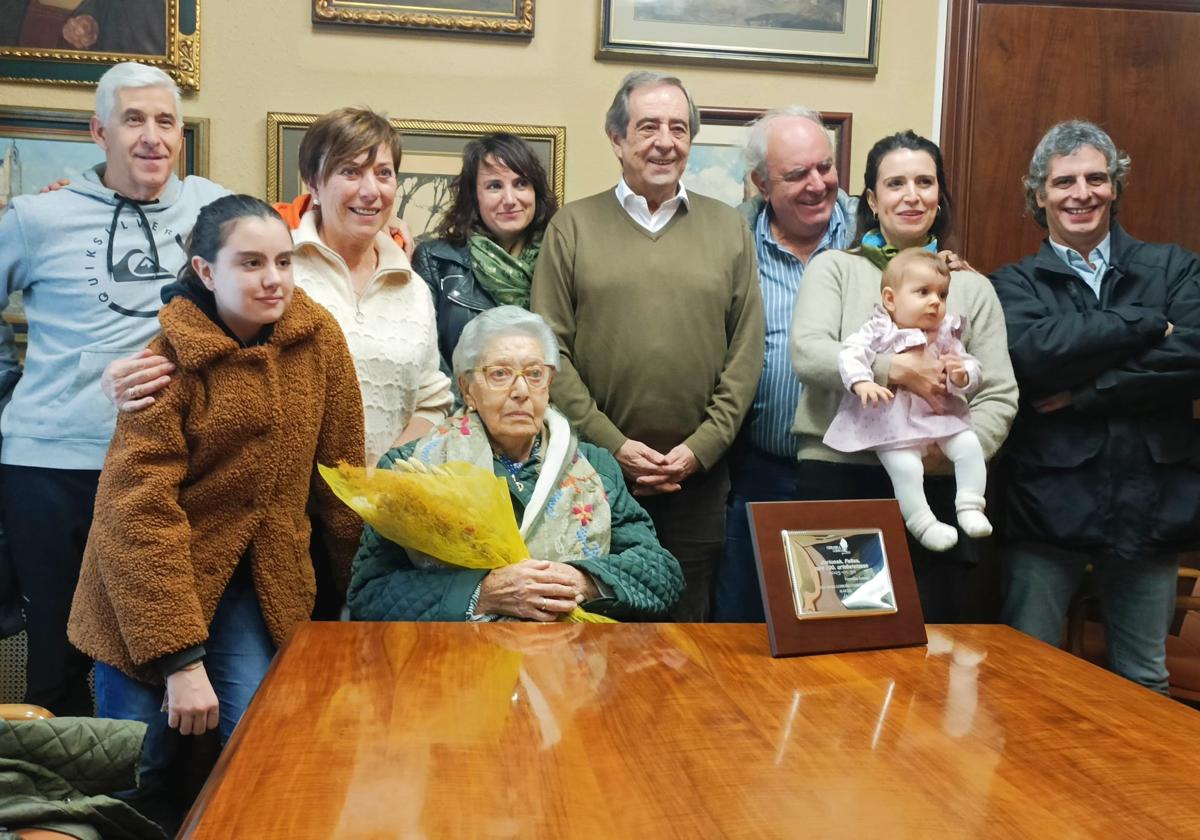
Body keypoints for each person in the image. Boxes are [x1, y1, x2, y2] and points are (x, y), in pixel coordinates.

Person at [66, 194, 365, 823]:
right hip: (146, 592)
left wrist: (356, 601)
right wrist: (177, 660)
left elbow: (342, 483)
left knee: (260, 748)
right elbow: (134, 515)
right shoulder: (165, 362)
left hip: (261, 585)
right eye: (251, 263)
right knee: (137, 764)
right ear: (205, 271)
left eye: (284, 262)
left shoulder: (320, 342)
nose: (273, 279)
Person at [0, 61, 227, 716]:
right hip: (53, 465)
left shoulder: (211, 208)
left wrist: (386, 236)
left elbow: (281, 251)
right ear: (98, 132)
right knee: (60, 658)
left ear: (180, 135)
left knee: (165, 651)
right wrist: (11, 385)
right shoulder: (35, 216)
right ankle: (62, 816)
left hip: (168, 467)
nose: (151, 137)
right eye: (133, 120)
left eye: (165, 122)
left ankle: (149, 807)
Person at [532, 71, 764, 621]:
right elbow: (548, 350)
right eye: (649, 126)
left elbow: (746, 351)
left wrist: (700, 448)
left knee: (686, 651)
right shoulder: (573, 227)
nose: (665, 140)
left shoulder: (728, 228)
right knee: (594, 643)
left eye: (679, 128)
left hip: (698, 485)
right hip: (593, 476)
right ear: (616, 139)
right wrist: (613, 445)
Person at [990, 120, 1200, 693]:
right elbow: (1035, 357)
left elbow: (1193, 356)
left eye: (1095, 178)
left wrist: (1089, 392)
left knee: (1143, 683)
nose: (1080, 193)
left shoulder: (1175, 267)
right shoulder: (1013, 284)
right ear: (1040, 194)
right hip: (1046, 507)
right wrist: (1145, 323)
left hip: (1150, 506)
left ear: (1115, 187)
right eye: (1063, 182)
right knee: (1024, 679)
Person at [790, 130, 1018, 623]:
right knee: (836, 646)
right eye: (895, 183)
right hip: (840, 476)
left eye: (924, 182)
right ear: (872, 199)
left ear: (940, 197)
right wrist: (895, 369)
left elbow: (999, 391)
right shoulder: (835, 269)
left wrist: (952, 446)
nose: (911, 195)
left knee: (935, 643)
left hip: (942, 487)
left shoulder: (972, 287)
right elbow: (809, 354)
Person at [348, 306, 683, 622]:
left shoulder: (595, 467)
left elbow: (661, 572)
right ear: (467, 389)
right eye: (500, 374)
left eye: (535, 374)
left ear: (548, 385)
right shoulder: (411, 468)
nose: (521, 390)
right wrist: (483, 593)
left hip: (572, 663)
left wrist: (582, 582)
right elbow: (369, 593)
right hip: (457, 663)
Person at [713, 105, 858, 622]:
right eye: (797, 175)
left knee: (842, 629)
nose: (818, 184)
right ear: (760, 183)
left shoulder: (871, 236)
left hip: (853, 475)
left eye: (825, 167)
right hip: (759, 472)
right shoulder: (731, 243)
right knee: (744, 630)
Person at [825, 248, 991, 551]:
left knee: (969, 446)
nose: (935, 302)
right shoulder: (880, 330)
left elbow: (972, 365)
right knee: (907, 468)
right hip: (891, 424)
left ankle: (970, 505)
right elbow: (850, 353)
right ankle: (922, 523)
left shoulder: (944, 335)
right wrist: (862, 380)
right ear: (890, 299)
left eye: (942, 295)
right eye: (923, 292)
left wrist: (961, 375)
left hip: (939, 417)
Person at [413, 132, 559, 374]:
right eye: (494, 186)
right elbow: (427, 356)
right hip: (461, 407)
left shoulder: (561, 259)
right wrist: (467, 404)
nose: (510, 199)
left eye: (521, 183)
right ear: (474, 195)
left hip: (544, 407)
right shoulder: (435, 260)